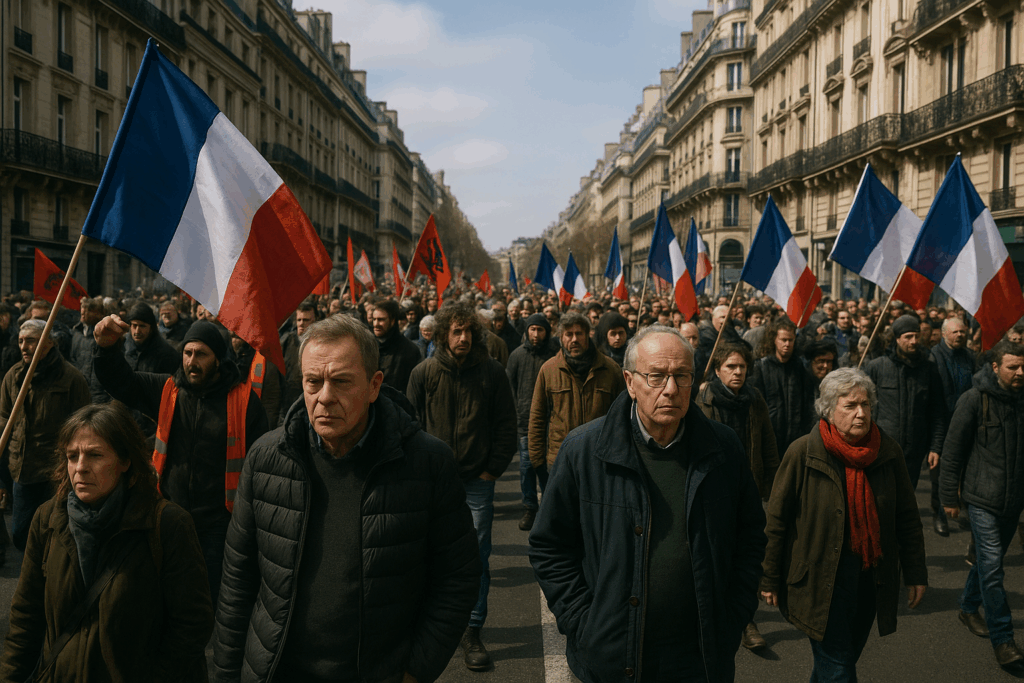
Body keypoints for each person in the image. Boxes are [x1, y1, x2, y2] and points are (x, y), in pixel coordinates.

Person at [213, 315, 480, 683]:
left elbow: (458, 577)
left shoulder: (427, 463)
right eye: (312, 381)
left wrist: (416, 671)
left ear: (374, 385)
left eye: (340, 382)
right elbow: (237, 581)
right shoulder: (264, 458)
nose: (324, 396)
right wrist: (227, 675)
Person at [530, 325, 767, 682]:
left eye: (682, 376)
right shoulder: (583, 451)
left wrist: (732, 617)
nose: (670, 389)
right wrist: (583, 622)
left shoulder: (723, 448)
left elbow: (749, 538)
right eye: (656, 376)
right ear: (629, 381)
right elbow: (550, 547)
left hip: (699, 659)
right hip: (611, 655)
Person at [0, 402, 213, 682]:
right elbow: (25, 620)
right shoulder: (48, 519)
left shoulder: (167, 525)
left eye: (94, 455)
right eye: (72, 456)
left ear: (125, 461)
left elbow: (191, 626)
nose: (80, 468)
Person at [761, 368, 928, 681]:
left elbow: (907, 518)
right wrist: (769, 577)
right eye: (850, 406)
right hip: (819, 581)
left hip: (869, 579)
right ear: (829, 409)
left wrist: (916, 572)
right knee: (839, 669)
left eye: (865, 404)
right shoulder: (802, 452)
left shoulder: (888, 451)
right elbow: (777, 521)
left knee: (836, 663)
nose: (861, 413)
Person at [92, 317, 268, 605]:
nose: (191, 361)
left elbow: (261, 464)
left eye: (201, 354)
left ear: (218, 359)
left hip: (218, 525)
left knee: (205, 599)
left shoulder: (244, 402)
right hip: (169, 513)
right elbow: (121, 381)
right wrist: (106, 348)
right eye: (187, 353)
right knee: (163, 594)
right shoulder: (167, 390)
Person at [406, 302, 517, 672]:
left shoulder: (493, 373)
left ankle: (471, 630)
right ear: (442, 334)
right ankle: (430, 627)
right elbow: (410, 425)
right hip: (430, 482)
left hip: (476, 484)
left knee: (476, 558)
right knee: (425, 555)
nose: (463, 337)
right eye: (455, 331)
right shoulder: (423, 373)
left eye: (468, 331)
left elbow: (505, 425)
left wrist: (491, 471)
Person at [940, 341, 1024, 670]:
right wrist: (948, 498)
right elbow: (953, 450)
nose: (1020, 373)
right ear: (994, 367)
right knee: (993, 569)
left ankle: (967, 607)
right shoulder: (975, 399)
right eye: (1012, 367)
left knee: (987, 566)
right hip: (981, 499)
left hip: (1013, 501)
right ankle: (1003, 640)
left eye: (1023, 366)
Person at [695, 341, 780, 651]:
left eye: (742, 366)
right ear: (718, 370)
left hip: (748, 488)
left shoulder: (754, 399)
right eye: (731, 366)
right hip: (713, 490)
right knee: (712, 555)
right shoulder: (704, 400)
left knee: (745, 555)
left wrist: (772, 485)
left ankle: (746, 620)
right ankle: (706, 616)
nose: (737, 372)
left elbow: (768, 442)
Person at [0, 320, 91, 555]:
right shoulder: (14, 377)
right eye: (21, 341)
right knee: (21, 534)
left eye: (30, 340)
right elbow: (3, 418)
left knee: (56, 533)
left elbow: (83, 423)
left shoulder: (71, 378)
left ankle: (49, 577)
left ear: (49, 342)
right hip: (22, 470)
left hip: (55, 471)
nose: (24, 346)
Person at [866, 314, 947, 536]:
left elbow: (937, 412)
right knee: (878, 500)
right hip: (879, 449)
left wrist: (935, 447)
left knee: (902, 503)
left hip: (913, 453)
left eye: (916, 336)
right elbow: (862, 408)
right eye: (908, 336)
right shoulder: (876, 367)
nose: (913, 341)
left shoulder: (928, 370)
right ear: (896, 338)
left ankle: (895, 551)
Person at [528, 312, 625, 490]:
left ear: (588, 335)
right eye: (569, 334)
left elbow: (622, 418)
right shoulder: (548, 370)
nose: (574, 339)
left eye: (579, 334)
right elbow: (537, 417)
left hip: (599, 460)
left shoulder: (611, 370)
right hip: (560, 460)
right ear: (560, 338)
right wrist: (537, 459)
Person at [506, 313, 558, 532]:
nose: (536, 334)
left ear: (547, 332)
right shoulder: (517, 355)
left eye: (541, 330)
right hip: (525, 422)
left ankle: (549, 509)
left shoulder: (555, 355)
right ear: (526, 331)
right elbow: (510, 388)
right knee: (527, 468)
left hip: (552, 423)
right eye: (532, 329)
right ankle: (530, 507)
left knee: (549, 469)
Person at [751, 318, 816, 459]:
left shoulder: (800, 368)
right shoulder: (761, 367)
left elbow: (807, 404)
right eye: (783, 340)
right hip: (770, 437)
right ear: (774, 340)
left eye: (790, 340)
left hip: (796, 438)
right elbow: (756, 405)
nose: (787, 344)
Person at [371, 299, 421, 393]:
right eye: (374, 319)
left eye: (381, 319)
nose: (376, 324)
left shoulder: (409, 350)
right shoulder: (368, 347)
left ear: (392, 321)